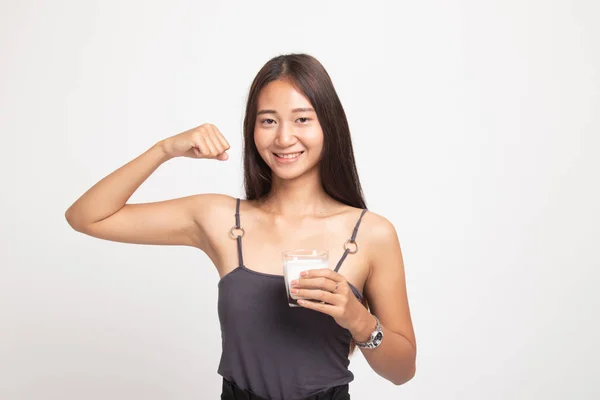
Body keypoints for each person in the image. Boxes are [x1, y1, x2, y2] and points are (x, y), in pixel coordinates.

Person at [65, 53, 417, 400]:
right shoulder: (221, 220)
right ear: (252, 128)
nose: (283, 138)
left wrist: (359, 320)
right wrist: (164, 149)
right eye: (268, 121)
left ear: (329, 124)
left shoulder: (371, 234)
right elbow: (86, 217)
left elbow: (402, 372)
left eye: (302, 119)